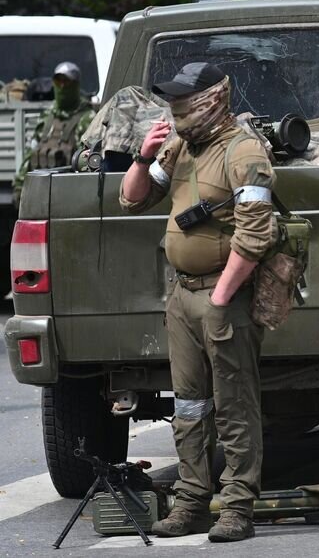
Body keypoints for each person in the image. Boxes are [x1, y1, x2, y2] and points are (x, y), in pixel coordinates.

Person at [120, 62, 276, 542]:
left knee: (234, 404)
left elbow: (255, 234)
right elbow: (131, 200)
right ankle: (190, 502)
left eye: (187, 96)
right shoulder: (180, 145)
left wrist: (222, 297)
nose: (178, 106)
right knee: (188, 406)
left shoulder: (243, 151)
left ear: (213, 97)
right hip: (182, 294)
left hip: (221, 296)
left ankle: (236, 508)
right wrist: (144, 158)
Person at [13, 62, 94, 205]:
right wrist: (20, 185)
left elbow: (89, 164)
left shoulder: (87, 118)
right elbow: (31, 152)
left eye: (67, 82)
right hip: (41, 194)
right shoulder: (47, 116)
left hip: (69, 195)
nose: (62, 86)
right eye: (58, 81)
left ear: (75, 85)